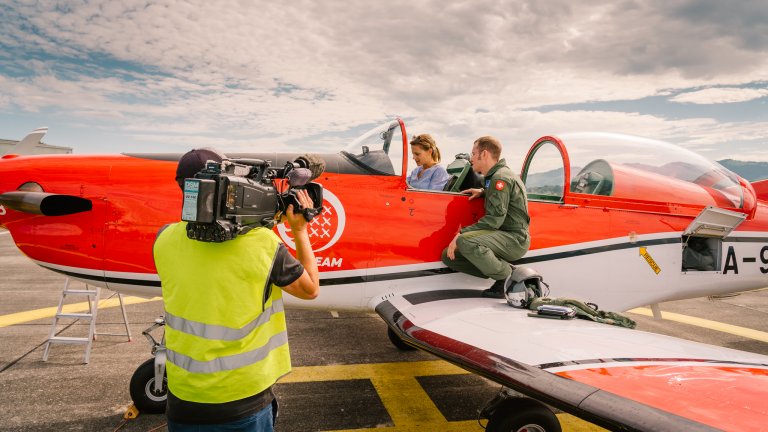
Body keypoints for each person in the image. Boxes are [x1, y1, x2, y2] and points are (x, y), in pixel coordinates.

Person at [153, 148, 320, 431]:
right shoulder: (264, 244)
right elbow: (310, 289)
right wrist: (299, 230)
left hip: (184, 399)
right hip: (243, 400)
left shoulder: (164, 239)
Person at [441, 136, 530, 298]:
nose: (471, 158)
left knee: (464, 241)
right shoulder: (494, 177)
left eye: (473, 154)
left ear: (484, 154)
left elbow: (494, 219)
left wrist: (461, 233)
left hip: (514, 239)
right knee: (449, 256)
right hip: (502, 236)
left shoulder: (500, 178)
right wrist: (483, 192)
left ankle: (508, 277)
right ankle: (500, 272)